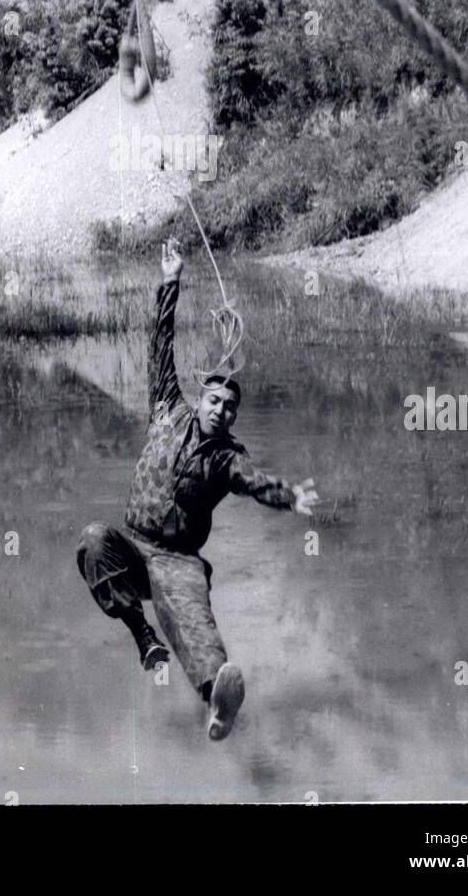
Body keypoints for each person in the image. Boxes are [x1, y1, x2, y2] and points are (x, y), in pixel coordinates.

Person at [77, 239, 319, 741]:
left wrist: (289, 496)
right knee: (92, 540)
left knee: (195, 625)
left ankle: (217, 702)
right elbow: (159, 345)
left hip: (176, 559)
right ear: (200, 397)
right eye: (214, 400)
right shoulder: (167, 407)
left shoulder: (228, 456)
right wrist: (171, 279)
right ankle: (142, 635)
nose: (220, 410)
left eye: (230, 406)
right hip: (132, 546)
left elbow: (255, 482)